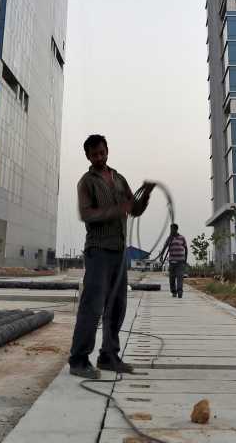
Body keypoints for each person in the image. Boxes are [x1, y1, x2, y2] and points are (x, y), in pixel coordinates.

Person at [68, 133, 153, 379]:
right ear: (88, 156)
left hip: (118, 252)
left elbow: (133, 209)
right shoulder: (87, 182)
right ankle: (78, 359)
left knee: (117, 306)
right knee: (92, 306)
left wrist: (145, 194)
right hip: (98, 251)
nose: (99, 157)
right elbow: (86, 214)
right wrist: (118, 209)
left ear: (107, 151)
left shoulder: (119, 178)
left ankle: (108, 356)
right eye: (94, 154)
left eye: (102, 152)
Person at [157, 222, 188, 298]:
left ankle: (180, 292)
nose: (171, 231)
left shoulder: (182, 238)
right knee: (172, 278)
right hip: (172, 261)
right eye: (170, 229)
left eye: (172, 229)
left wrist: (185, 259)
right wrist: (161, 256)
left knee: (180, 277)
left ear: (176, 229)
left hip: (180, 261)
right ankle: (174, 291)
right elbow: (165, 247)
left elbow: (186, 248)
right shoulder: (169, 238)